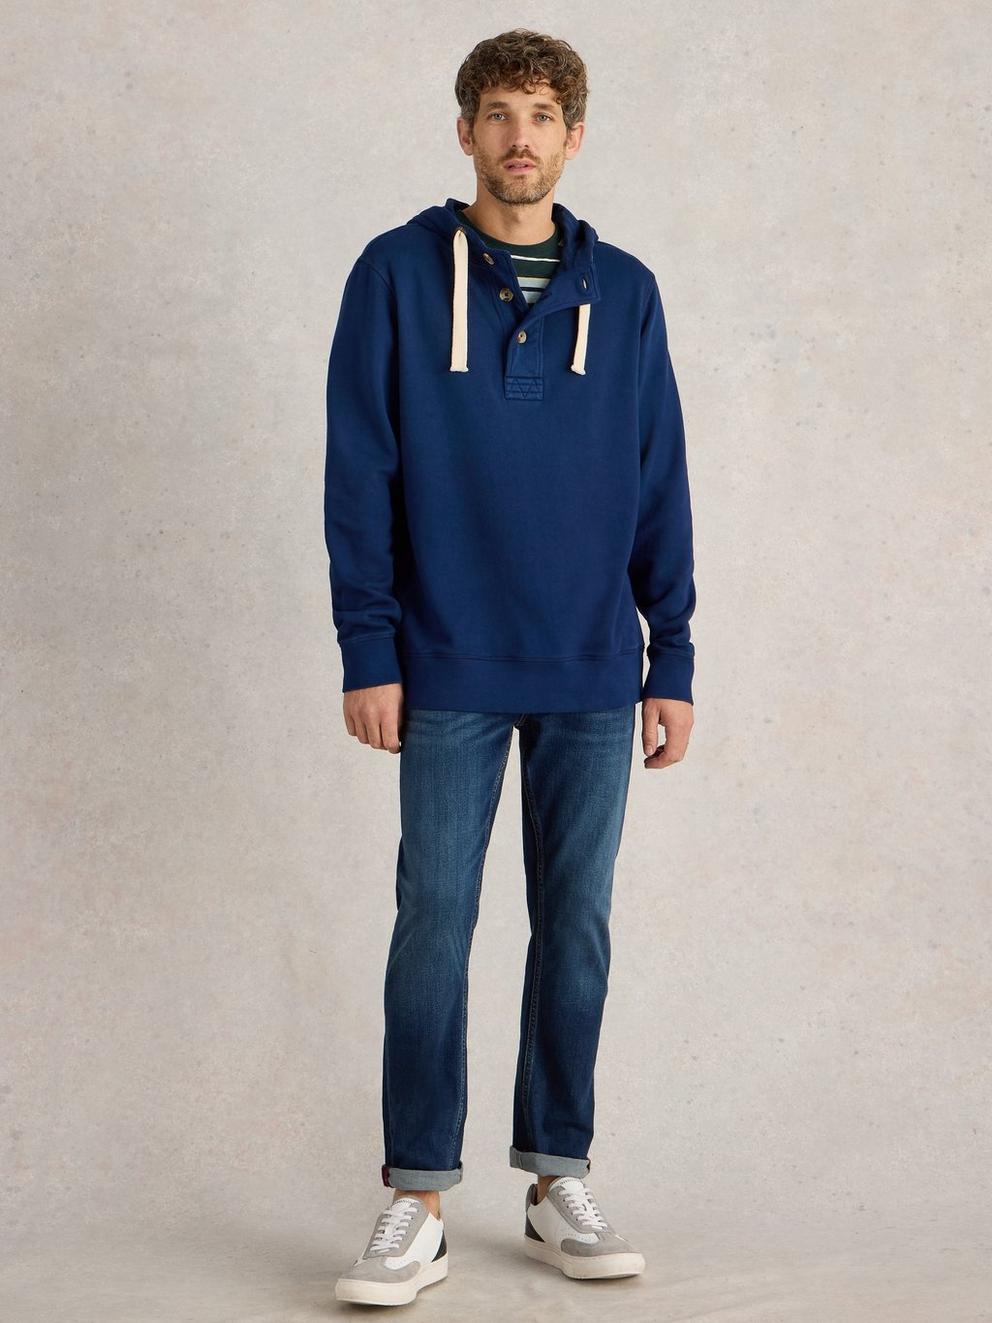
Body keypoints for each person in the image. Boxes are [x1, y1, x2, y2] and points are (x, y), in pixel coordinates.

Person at [325, 27, 696, 1308]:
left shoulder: (625, 291)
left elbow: (658, 478)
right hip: (443, 660)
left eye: (540, 115)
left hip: (592, 665)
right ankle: (417, 1198)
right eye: (496, 114)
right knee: (433, 919)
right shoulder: (392, 274)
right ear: (464, 132)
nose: (518, 137)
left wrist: (671, 655)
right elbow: (359, 470)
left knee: (574, 924)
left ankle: (554, 1179)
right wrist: (367, 646)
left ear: (573, 137)